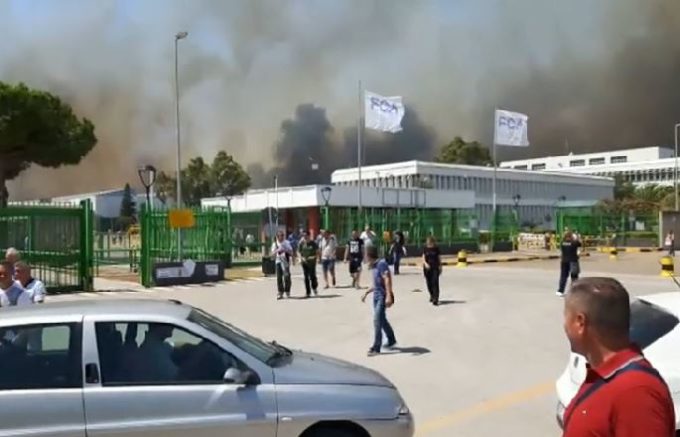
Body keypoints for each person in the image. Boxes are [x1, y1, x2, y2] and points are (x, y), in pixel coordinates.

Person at [561, 277, 675, 437]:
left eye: (566, 317)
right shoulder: (603, 374)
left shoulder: (636, 393)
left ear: (580, 322)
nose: (564, 325)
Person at [361, 246, 396, 357]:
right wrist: (367, 292)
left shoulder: (381, 264)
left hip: (382, 296)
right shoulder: (374, 266)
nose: (364, 257)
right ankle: (391, 339)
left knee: (377, 320)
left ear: (369, 255)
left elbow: (387, 279)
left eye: (365, 255)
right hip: (376, 297)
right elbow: (376, 284)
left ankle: (376, 347)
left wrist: (389, 295)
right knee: (382, 319)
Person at [557, 231, 581, 297]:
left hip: (564, 261)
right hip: (573, 261)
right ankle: (574, 291)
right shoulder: (574, 243)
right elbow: (580, 244)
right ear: (571, 236)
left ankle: (560, 291)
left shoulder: (562, 243)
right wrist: (576, 237)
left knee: (563, 276)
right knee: (574, 277)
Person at [271, 231, 293, 299]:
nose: (282, 237)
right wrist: (277, 250)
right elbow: (272, 254)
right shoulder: (275, 244)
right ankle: (280, 292)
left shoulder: (286, 243)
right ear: (277, 237)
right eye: (280, 235)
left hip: (285, 261)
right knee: (279, 277)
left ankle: (287, 290)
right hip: (278, 261)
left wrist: (285, 250)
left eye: (283, 235)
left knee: (287, 276)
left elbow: (291, 252)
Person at [297, 232, 320, 298]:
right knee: (306, 277)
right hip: (304, 263)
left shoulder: (313, 243)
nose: (305, 237)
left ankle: (314, 287)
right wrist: (301, 258)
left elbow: (318, 252)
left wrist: (315, 257)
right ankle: (308, 292)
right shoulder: (301, 243)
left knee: (312, 276)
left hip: (312, 263)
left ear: (309, 236)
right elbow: (298, 252)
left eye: (306, 236)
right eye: (304, 236)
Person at [422, 236, 442, 305]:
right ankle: (431, 295)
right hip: (427, 268)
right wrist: (425, 264)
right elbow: (423, 258)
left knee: (435, 282)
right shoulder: (425, 248)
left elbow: (439, 258)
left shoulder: (436, 249)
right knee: (429, 283)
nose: (430, 244)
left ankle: (435, 298)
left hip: (435, 267)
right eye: (429, 243)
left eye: (431, 243)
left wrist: (440, 266)